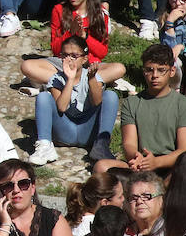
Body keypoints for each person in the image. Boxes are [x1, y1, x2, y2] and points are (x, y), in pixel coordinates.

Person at [97, 43, 186, 176]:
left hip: (170, 167)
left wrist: (156, 162)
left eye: (161, 70)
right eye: (149, 70)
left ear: (172, 71)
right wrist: (136, 156)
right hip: (141, 164)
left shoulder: (184, 105)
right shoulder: (132, 103)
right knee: (101, 167)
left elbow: (185, 151)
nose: (154, 75)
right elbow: (129, 143)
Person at [30, 34, 120, 168]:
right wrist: (70, 80)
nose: (69, 59)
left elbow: (97, 103)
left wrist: (91, 80)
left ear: (84, 59)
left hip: (87, 131)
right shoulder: (56, 78)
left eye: (74, 56)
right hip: (65, 130)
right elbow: (61, 107)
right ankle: (45, 145)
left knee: (111, 96)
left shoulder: (92, 76)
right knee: (43, 97)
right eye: (65, 55)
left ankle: (101, 145)